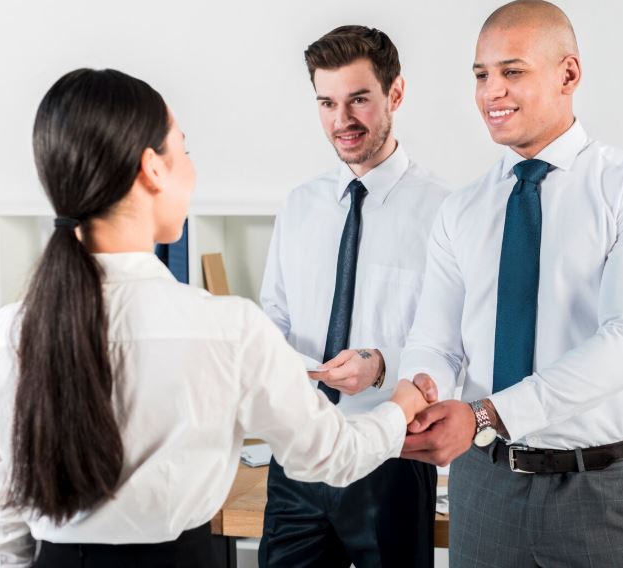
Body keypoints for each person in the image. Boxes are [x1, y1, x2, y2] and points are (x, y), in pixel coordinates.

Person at [0, 68, 432, 568]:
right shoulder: (225, 331)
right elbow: (331, 455)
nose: (190, 169)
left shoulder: (2, 338)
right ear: (153, 169)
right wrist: (402, 404)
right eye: (183, 150)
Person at [399, 2, 623, 567]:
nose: (490, 93)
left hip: (599, 493)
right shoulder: (462, 210)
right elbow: (435, 341)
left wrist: (485, 413)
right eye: (481, 75)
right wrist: (411, 403)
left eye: (512, 72)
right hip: (484, 486)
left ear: (568, 74)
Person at [258, 25, 451, 568]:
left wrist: (383, 368)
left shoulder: (445, 212)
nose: (342, 120)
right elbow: (273, 317)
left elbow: (454, 342)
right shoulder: (299, 206)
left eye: (359, 99)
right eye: (327, 102)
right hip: (299, 452)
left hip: (389, 456)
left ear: (395, 94)